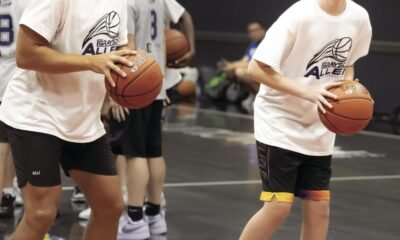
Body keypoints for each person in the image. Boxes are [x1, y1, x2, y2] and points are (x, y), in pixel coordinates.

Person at [0, 0, 135, 239]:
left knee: (110, 206)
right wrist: (90, 62)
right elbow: (25, 53)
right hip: (36, 116)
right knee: (41, 213)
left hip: (83, 121)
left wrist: (134, 76)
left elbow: (122, 47)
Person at [240, 0, 372, 239]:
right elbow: (255, 70)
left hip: (319, 124)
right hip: (279, 120)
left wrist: (347, 87)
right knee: (278, 208)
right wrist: (308, 92)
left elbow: (347, 64)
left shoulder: (359, 17)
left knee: (319, 209)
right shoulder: (299, 15)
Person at [0, 0, 22, 219]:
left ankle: (7, 192)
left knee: (4, 141)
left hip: (3, 69)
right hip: (18, 72)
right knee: (13, 139)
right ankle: (8, 192)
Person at [218, 20, 266, 112]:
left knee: (240, 72)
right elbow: (244, 61)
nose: (253, 33)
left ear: (263, 30)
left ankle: (263, 98)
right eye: (251, 31)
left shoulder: (268, 43)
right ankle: (253, 95)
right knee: (233, 70)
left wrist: (233, 65)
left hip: (267, 73)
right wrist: (230, 65)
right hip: (255, 71)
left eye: (256, 30)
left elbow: (257, 63)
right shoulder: (253, 45)